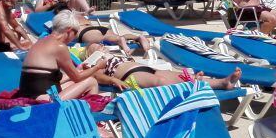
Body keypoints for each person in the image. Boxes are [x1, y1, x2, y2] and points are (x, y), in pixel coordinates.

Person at [83, 43, 242, 90]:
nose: (99, 47)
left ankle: (223, 83)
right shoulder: (94, 62)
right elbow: (97, 77)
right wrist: (112, 80)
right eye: (95, 47)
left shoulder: (113, 55)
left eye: (100, 45)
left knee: (184, 76)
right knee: (160, 82)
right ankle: (190, 89)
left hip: (142, 66)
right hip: (129, 75)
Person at [19, 10, 103, 99]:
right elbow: (77, 78)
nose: (74, 37)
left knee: (73, 82)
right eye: (75, 33)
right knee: (91, 81)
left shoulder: (40, 42)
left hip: (28, 93)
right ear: (69, 31)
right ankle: (89, 111)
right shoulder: (59, 46)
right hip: (44, 98)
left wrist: (78, 70)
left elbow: (44, 78)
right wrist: (98, 67)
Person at [72, 12, 151, 55]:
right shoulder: (80, 16)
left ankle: (119, 39)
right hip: (100, 28)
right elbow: (87, 13)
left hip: (86, 32)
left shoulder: (70, 19)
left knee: (103, 38)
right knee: (116, 36)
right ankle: (137, 37)